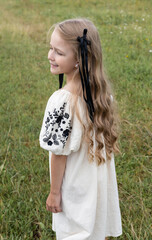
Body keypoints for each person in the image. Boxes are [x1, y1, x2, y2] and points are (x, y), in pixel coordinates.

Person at [39, 18, 122, 240]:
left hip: (75, 188)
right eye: (50, 48)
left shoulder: (61, 101)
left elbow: (58, 153)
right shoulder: (101, 96)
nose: (50, 55)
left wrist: (55, 193)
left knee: (74, 234)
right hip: (95, 189)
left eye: (58, 52)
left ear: (78, 60)